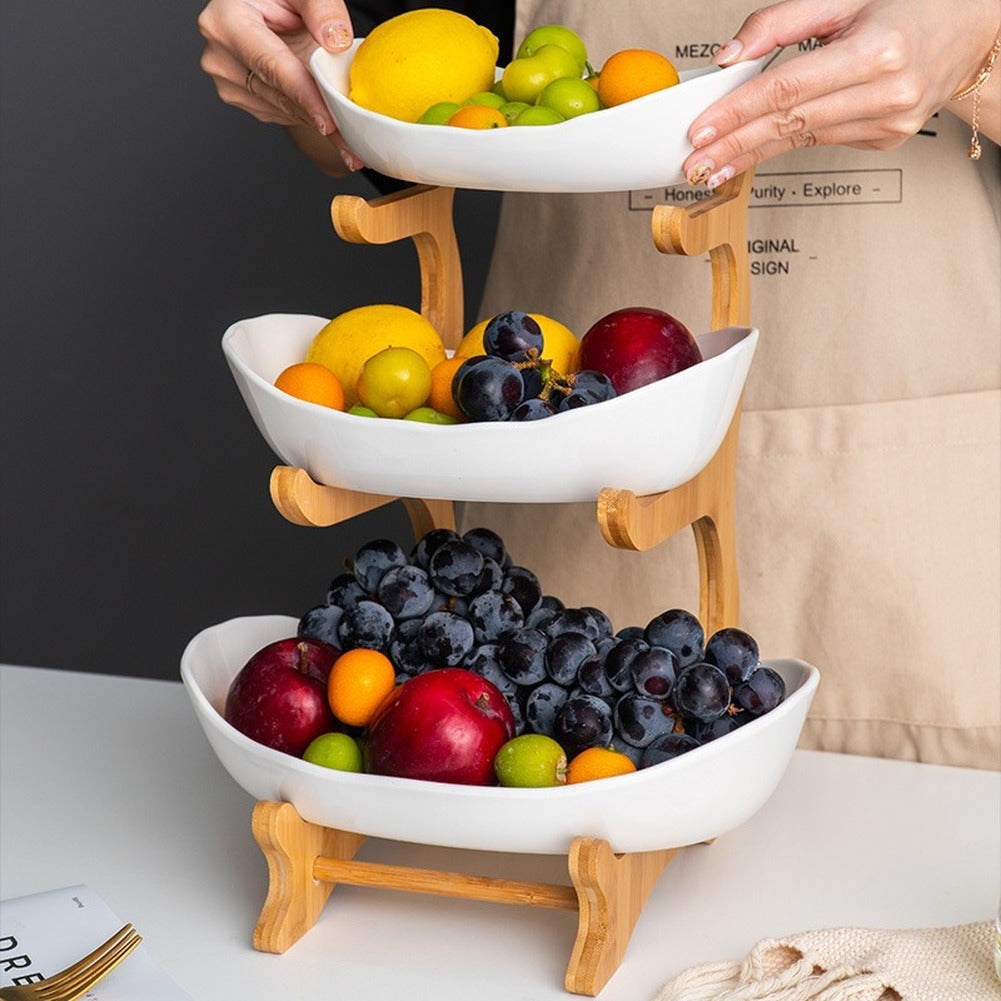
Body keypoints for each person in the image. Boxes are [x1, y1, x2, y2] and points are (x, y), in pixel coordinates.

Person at [198, 0, 1000, 770]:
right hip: (560, 508)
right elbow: (395, 108)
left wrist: (973, 51)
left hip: (914, 546)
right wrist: (303, 72)